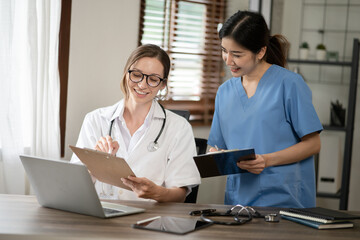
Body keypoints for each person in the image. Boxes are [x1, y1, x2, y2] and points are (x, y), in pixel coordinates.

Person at [208, 10, 323, 208]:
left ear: (260, 52)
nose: (228, 61)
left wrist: (266, 160)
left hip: (285, 201)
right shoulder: (224, 92)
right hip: (238, 203)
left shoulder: (290, 84)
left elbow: (313, 145)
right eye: (224, 50)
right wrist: (215, 155)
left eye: (237, 54)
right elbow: (216, 147)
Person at [71, 44, 201, 203]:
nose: (142, 84)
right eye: (137, 75)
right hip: (102, 216)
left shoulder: (179, 128)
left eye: (153, 79)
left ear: (163, 85)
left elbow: (180, 194)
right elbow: (76, 185)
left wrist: (156, 192)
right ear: (126, 73)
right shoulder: (95, 120)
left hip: (150, 220)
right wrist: (95, 165)